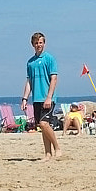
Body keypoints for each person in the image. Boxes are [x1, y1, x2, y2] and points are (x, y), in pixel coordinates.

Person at [22, 32, 61, 160]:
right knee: (42, 127)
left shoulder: (49, 59)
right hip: (36, 98)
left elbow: (54, 78)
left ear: (44, 43)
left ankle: (57, 148)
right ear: (32, 44)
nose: (39, 45)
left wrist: (49, 97)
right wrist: (24, 99)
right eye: (36, 43)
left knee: (44, 124)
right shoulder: (30, 62)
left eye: (41, 42)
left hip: (48, 98)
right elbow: (29, 82)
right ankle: (47, 154)